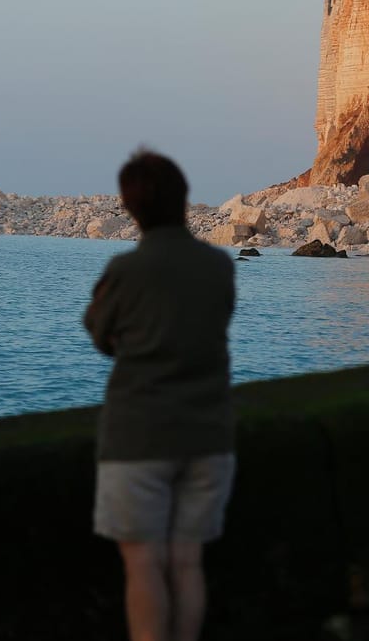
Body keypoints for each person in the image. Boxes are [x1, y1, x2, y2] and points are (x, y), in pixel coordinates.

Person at [83, 149, 237, 641]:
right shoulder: (219, 266)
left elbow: (98, 332)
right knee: (188, 564)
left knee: (143, 565)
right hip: (208, 433)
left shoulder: (125, 270)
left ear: (130, 208)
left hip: (137, 436)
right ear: (183, 199)